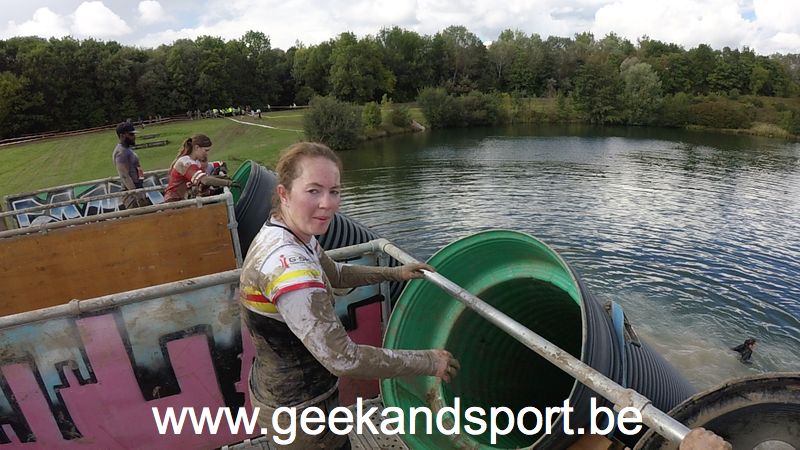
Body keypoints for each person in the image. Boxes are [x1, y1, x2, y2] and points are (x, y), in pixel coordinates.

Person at [239, 142, 459, 448]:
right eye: (313, 191)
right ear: (284, 193)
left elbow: (337, 274)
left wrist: (394, 273)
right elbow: (344, 359)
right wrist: (428, 362)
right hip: (300, 411)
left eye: (335, 191)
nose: (327, 204)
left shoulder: (286, 232)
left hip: (285, 391)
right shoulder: (291, 270)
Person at [163, 134, 238, 202]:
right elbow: (204, 180)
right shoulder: (185, 162)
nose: (207, 154)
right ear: (197, 147)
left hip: (183, 200)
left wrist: (222, 178)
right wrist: (228, 183)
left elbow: (205, 178)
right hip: (174, 202)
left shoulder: (195, 162)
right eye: (206, 150)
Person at [112, 122, 150, 209]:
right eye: (131, 134)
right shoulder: (121, 152)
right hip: (131, 193)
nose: (134, 137)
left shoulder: (127, 149)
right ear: (122, 136)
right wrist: (137, 195)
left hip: (137, 189)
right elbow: (124, 176)